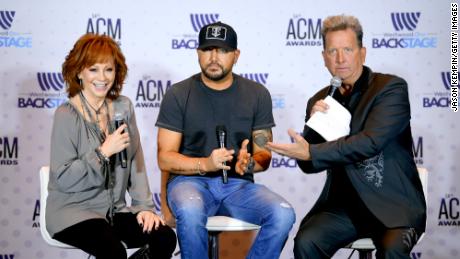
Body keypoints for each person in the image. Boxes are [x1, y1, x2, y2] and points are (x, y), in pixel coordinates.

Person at [266, 15, 426, 259]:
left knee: (392, 251)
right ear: (324, 58)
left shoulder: (390, 88)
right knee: (307, 242)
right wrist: (312, 128)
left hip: (393, 205)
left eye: (347, 49)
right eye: (333, 51)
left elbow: (370, 142)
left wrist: (312, 151)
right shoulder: (320, 100)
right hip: (343, 208)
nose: (340, 59)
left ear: (362, 53)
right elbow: (308, 165)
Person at [155, 21, 295, 259]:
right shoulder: (178, 94)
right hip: (189, 184)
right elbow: (165, 158)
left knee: (283, 214)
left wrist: (249, 163)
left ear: (236, 55)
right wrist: (205, 164)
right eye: (207, 49)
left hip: (238, 187)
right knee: (189, 210)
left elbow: (263, 156)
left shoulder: (257, 94)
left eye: (222, 50)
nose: (214, 57)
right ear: (198, 53)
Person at [47, 33, 176, 259]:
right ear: (79, 72)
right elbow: (63, 178)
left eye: (109, 69)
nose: (102, 77)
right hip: (73, 212)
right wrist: (103, 152)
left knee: (164, 237)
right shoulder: (66, 115)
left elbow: (136, 161)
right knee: (113, 251)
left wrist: (144, 207)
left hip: (114, 211)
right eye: (93, 69)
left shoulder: (123, 107)